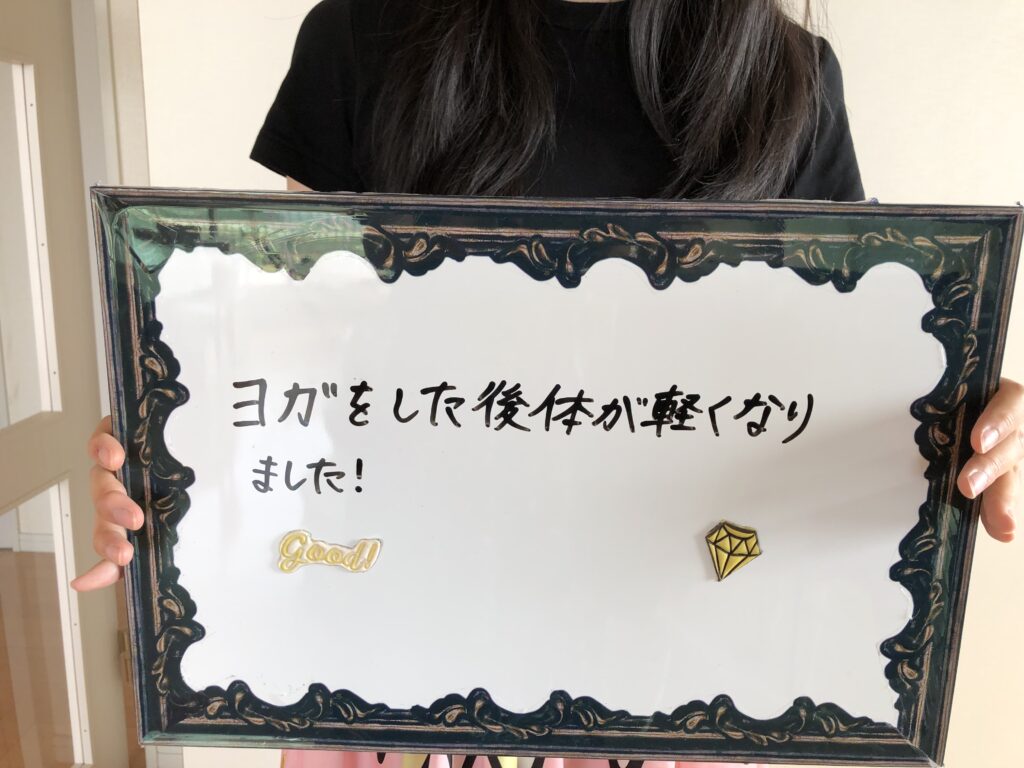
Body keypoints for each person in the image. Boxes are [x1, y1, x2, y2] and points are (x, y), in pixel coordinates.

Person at [73, 1, 1023, 767]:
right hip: (392, 648)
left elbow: (839, 380)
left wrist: (965, 433)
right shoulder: (359, 38)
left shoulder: (787, 79)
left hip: (681, 670)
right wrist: (177, 433)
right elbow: (288, 336)